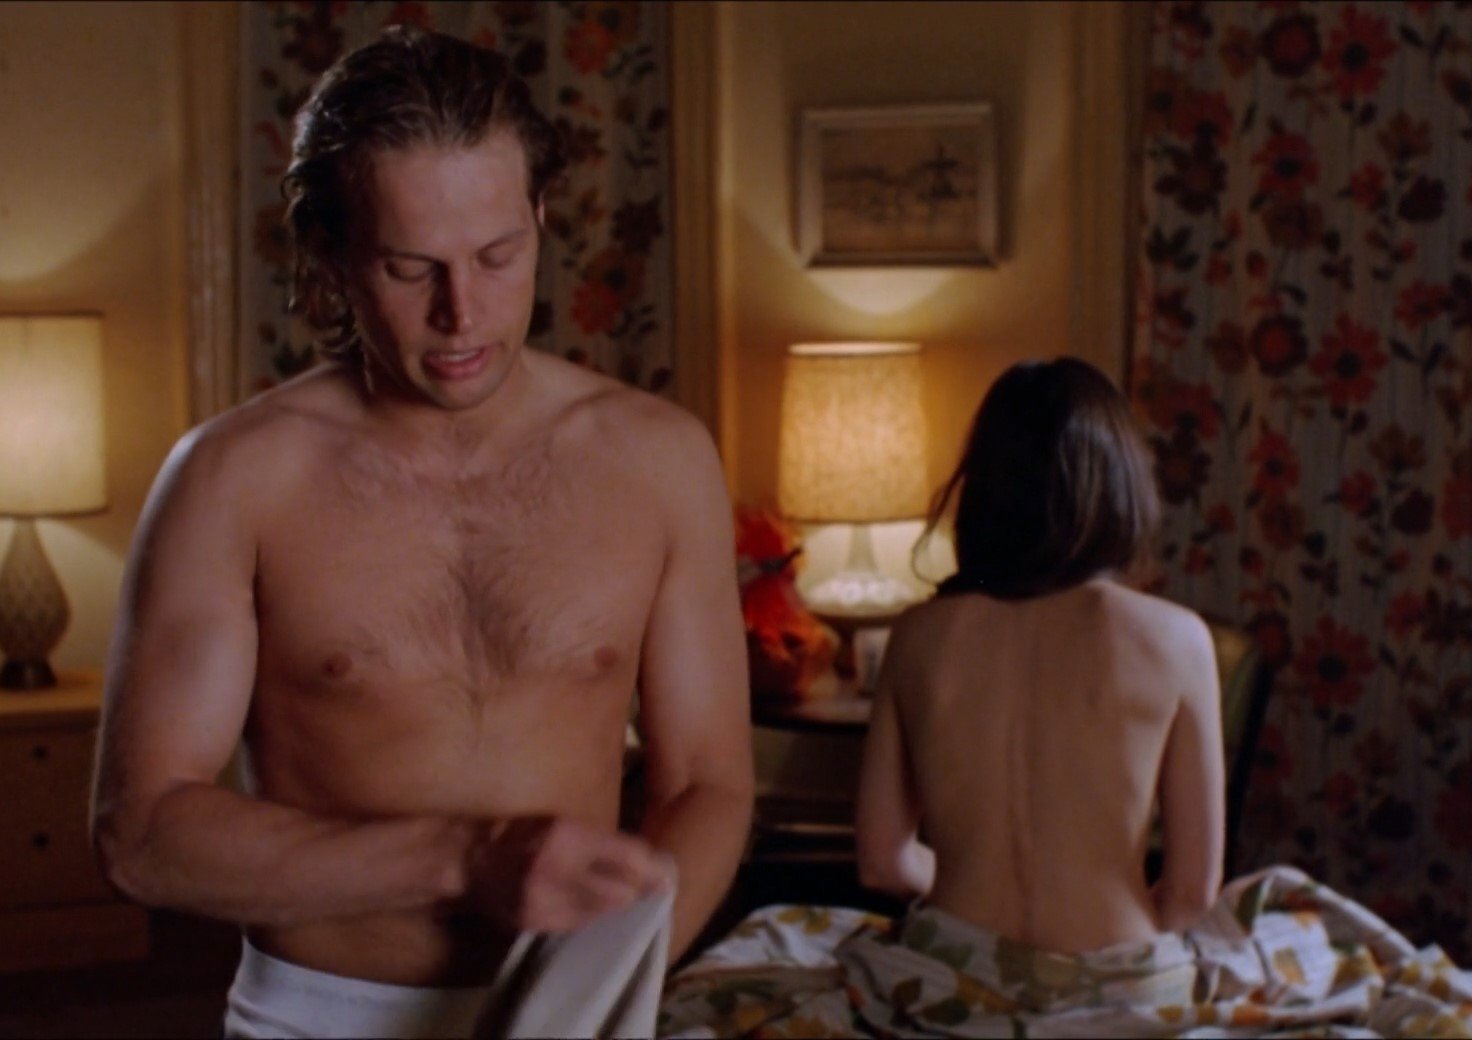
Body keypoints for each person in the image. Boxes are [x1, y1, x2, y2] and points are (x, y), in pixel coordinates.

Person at [90, 26, 753, 1038]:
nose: (462, 313)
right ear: (333, 252)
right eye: (411, 267)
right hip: (320, 1013)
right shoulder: (233, 478)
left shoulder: (661, 458)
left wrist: (595, 990)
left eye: (498, 255)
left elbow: (708, 781)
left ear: (540, 217)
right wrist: (462, 857)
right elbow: (142, 835)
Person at [856, 357, 1225, 951]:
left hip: (954, 979)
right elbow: (1191, 892)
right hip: (1114, 982)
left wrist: (965, 901)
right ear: (1121, 485)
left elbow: (882, 862)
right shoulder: (1176, 640)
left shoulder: (918, 636)